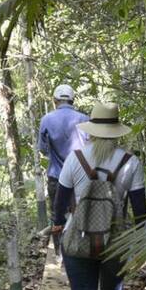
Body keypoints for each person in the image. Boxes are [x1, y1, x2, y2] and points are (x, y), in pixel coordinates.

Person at [51, 102, 146, 290]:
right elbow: (141, 213)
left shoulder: (74, 159)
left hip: (78, 241)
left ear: (91, 132)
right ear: (117, 132)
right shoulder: (131, 162)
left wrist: (58, 238)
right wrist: (140, 243)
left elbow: (59, 207)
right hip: (115, 242)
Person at [37, 84, 88, 228]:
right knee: (85, 217)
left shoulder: (46, 120)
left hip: (57, 178)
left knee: (58, 219)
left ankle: (59, 248)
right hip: (82, 178)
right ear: (72, 100)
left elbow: (43, 149)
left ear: (55, 100)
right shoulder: (84, 118)